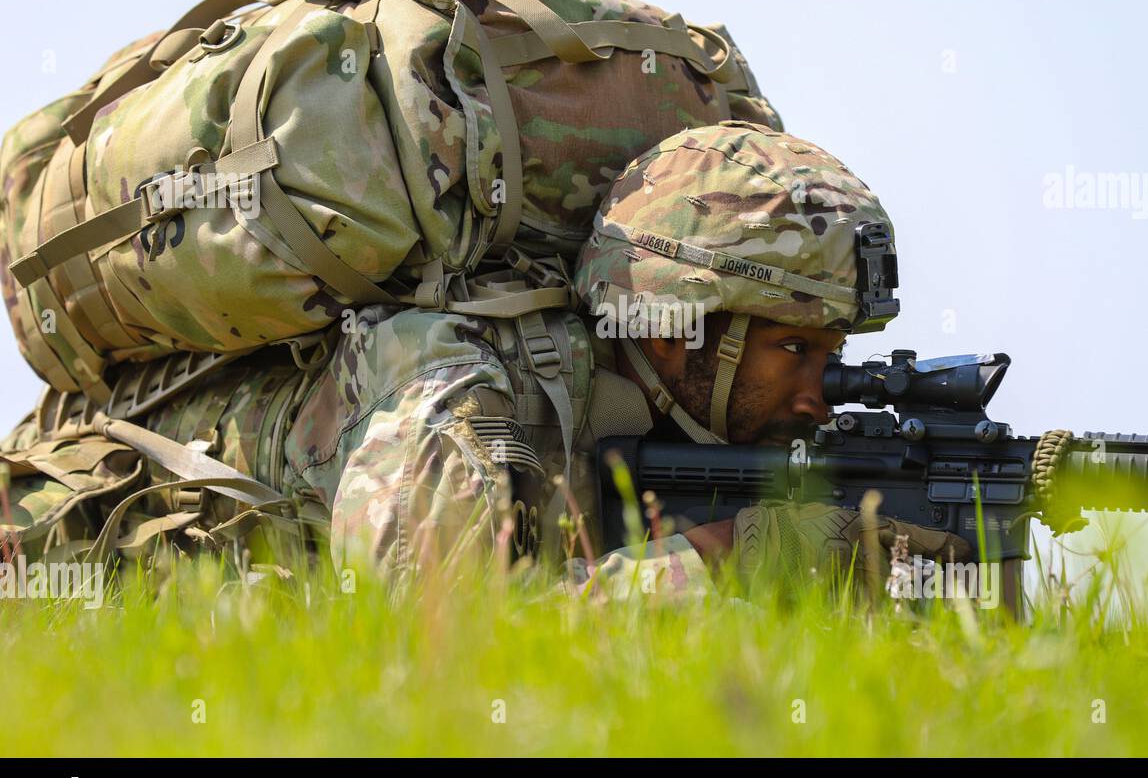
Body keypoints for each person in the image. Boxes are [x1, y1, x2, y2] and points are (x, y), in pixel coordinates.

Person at [0, 121, 969, 600]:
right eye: (791, 348)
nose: (817, 393)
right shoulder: (456, 380)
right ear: (678, 326)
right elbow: (447, 646)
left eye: (833, 354)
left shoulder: (687, 423)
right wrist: (724, 563)